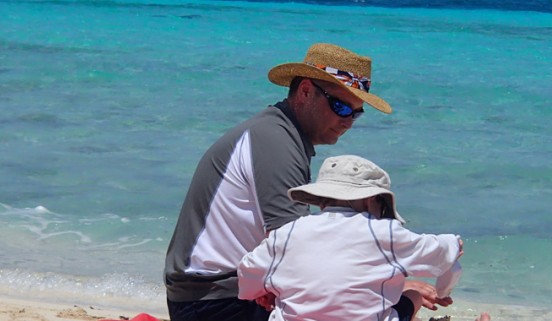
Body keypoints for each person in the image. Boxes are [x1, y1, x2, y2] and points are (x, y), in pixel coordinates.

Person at [164, 43, 396, 321]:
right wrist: (394, 286)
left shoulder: (278, 133)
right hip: (214, 302)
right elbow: (298, 246)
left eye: (356, 113)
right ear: (306, 92)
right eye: (341, 107)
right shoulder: (276, 141)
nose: (348, 121)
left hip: (215, 295)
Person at [237, 155, 491, 321]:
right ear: (372, 199)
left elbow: (247, 274)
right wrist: (444, 286)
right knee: (411, 298)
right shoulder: (383, 232)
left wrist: (266, 290)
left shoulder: (288, 233)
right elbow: (450, 248)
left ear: (321, 198)